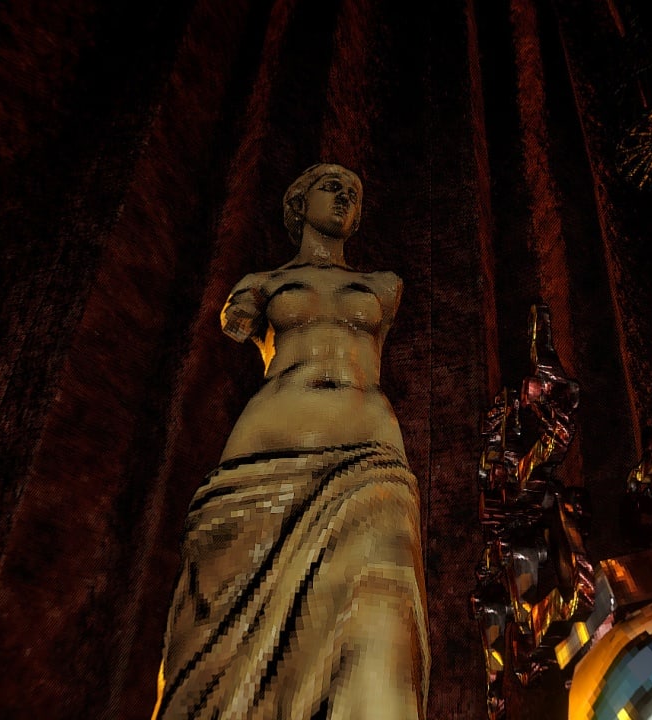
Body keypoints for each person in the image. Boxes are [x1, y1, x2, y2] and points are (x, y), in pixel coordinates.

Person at [156, 164, 428, 720]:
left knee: (381, 608)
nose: (344, 198)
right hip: (264, 452)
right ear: (299, 204)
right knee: (218, 631)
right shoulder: (258, 286)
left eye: (353, 193)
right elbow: (236, 325)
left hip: (367, 450)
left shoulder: (384, 286)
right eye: (331, 187)